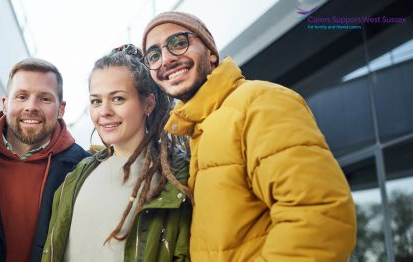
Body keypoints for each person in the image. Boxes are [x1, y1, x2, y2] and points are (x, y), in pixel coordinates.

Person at [141, 11, 357, 261]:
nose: (166, 59)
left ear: (211, 52)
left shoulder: (260, 102)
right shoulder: (197, 132)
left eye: (178, 43)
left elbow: (319, 218)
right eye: (154, 55)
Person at [42, 44, 192, 262]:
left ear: (148, 103)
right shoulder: (76, 176)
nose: (104, 111)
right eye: (96, 101)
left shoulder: (176, 178)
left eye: (118, 98)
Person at [0, 58, 89, 262]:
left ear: (61, 109)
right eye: (22, 96)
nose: (31, 107)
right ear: (5, 104)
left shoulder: (84, 168)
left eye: (44, 99)